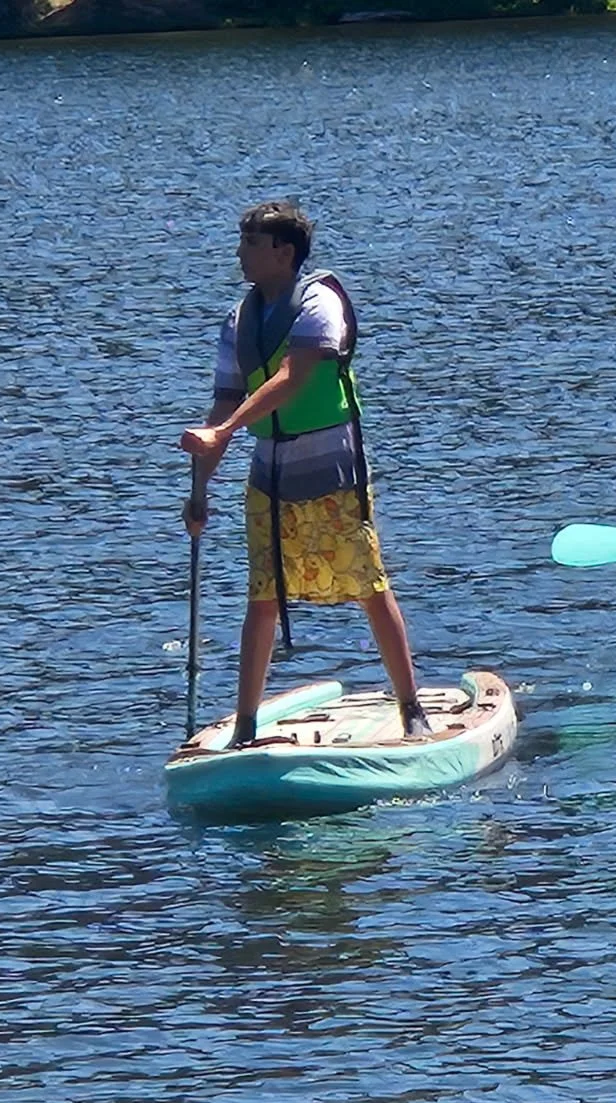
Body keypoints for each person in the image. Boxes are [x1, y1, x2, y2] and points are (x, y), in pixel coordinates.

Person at [179, 199, 430, 747]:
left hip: (333, 466)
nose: (239, 253)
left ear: (283, 253)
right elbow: (223, 405)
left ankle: (411, 709)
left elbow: (293, 378)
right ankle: (245, 725)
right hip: (269, 473)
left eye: (250, 242)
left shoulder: (321, 303)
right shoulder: (239, 321)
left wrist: (225, 433)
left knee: (368, 583)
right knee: (263, 596)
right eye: (241, 240)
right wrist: (200, 490)